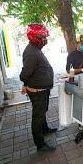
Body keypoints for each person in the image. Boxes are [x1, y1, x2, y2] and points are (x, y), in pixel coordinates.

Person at [20, 24, 56, 152]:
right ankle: (40, 144)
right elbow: (25, 73)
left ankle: (45, 129)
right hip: (37, 91)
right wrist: (24, 83)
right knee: (38, 116)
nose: (45, 40)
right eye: (43, 37)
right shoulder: (31, 52)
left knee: (43, 111)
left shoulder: (35, 49)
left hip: (42, 89)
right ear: (35, 37)